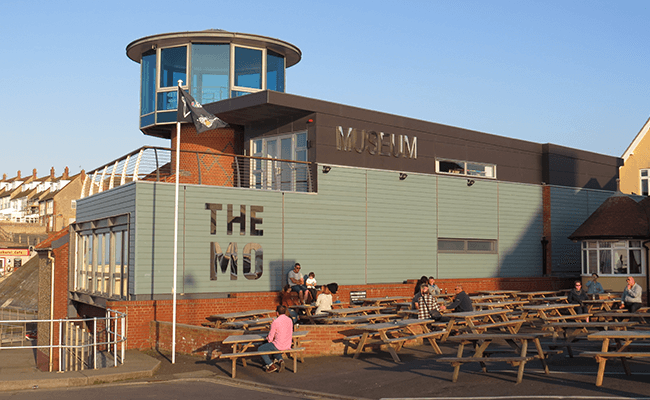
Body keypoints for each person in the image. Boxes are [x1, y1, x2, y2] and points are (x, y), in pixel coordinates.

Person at [259, 305, 293, 373]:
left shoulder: (275, 322)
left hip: (279, 345)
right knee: (275, 347)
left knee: (261, 349)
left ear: (277, 313)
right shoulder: (290, 320)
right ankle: (280, 360)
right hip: (288, 344)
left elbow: (270, 338)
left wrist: (268, 338)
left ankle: (271, 365)